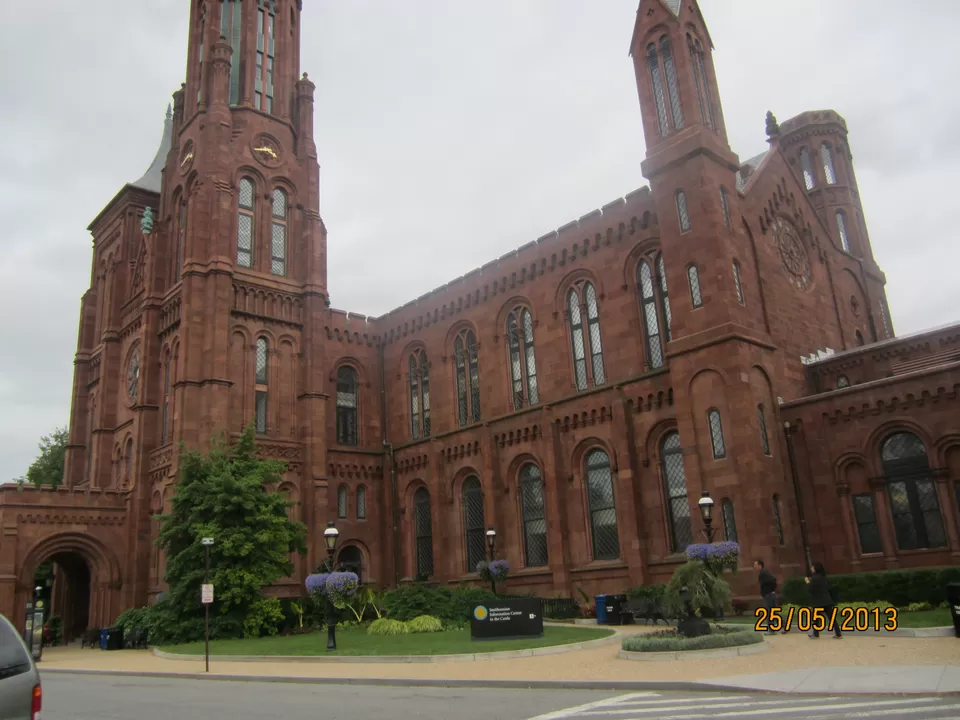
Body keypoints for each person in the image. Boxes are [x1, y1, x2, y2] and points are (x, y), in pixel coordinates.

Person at [805, 561, 842, 639]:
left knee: (816, 618)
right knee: (831, 618)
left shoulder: (814, 578)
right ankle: (838, 633)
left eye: (812, 567)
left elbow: (811, 590)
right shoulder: (823, 577)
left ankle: (815, 634)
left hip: (818, 601)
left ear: (815, 569)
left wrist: (808, 582)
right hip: (827, 600)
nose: (811, 568)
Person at [753, 559, 786, 634]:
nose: (754, 567)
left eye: (755, 565)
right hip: (770, 594)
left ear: (760, 565)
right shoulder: (764, 573)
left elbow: (773, 580)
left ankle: (772, 630)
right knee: (773, 613)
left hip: (769, 595)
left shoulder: (763, 573)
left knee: (769, 613)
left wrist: (768, 590)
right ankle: (784, 626)